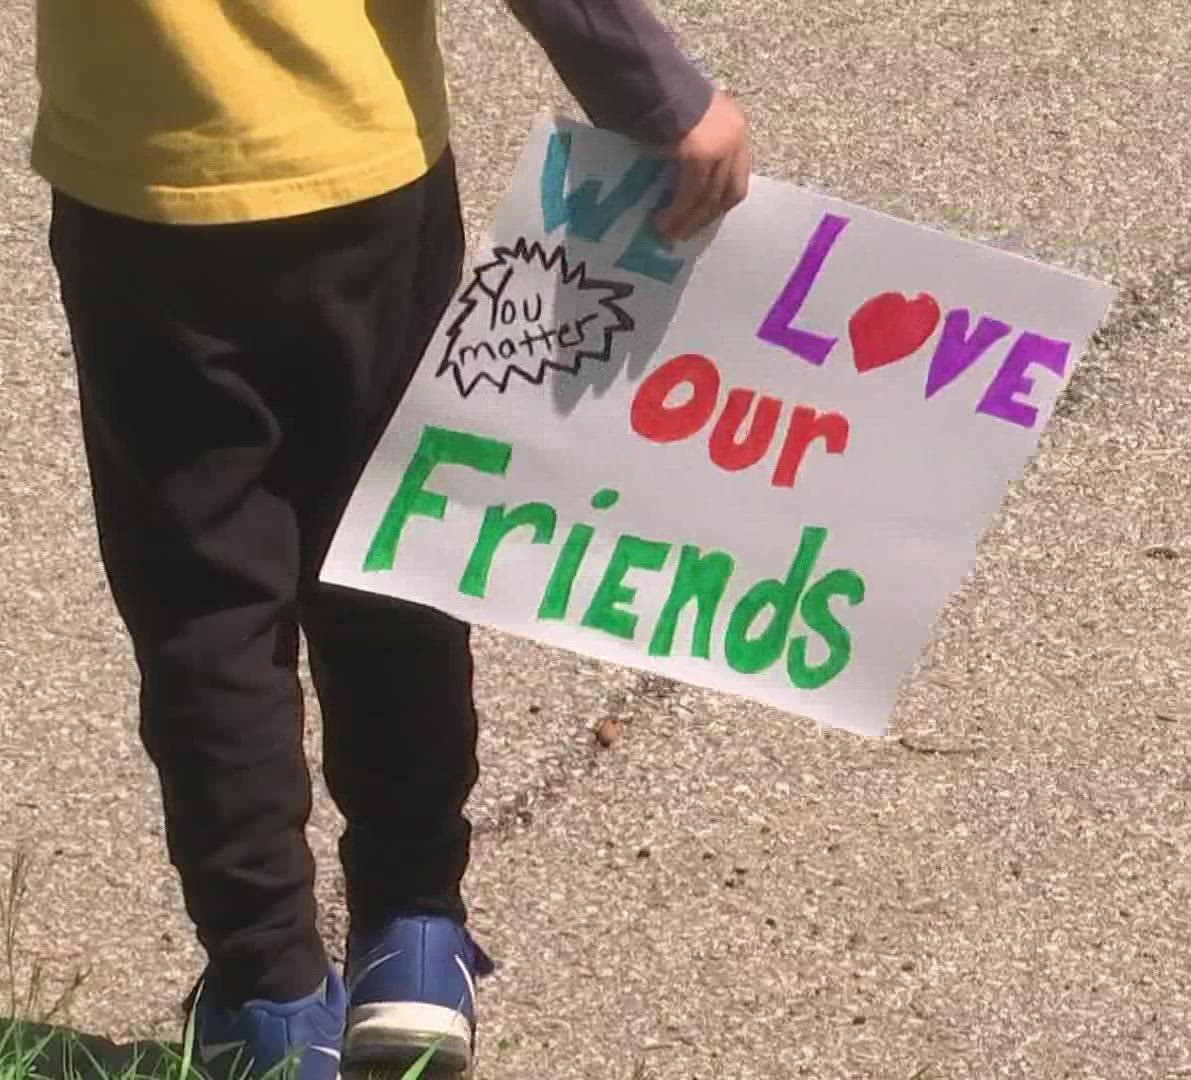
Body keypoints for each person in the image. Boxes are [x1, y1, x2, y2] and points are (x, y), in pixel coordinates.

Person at [31, 1, 749, 1076]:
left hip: (143, 190)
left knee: (208, 610)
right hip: (360, 178)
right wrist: (652, 90)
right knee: (391, 554)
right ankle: (412, 936)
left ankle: (266, 994)